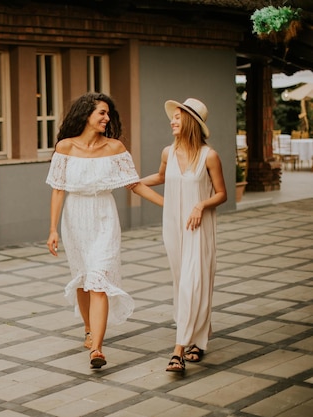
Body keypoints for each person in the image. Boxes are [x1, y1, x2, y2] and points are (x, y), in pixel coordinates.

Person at [46, 92, 163, 369]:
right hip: (75, 218)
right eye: (102, 112)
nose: (106, 118)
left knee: (98, 279)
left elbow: (134, 184)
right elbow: (58, 190)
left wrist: (168, 205)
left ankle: (97, 349)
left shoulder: (115, 148)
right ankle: (88, 329)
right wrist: (53, 229)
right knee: (84, 279)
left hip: (104, 217)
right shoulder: (65, 148)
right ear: (86, 114)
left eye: (108, 113)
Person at [136, 98, 226, 373]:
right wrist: (132, 180)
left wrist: (200, 204)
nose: (172, 121)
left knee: (192, 281)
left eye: (177, 117)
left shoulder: (209, 155)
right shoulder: (168, 152)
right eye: (172, 117)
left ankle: (179, 350)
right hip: (173, 226)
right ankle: (200, 335)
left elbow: (222, 194)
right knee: (182, 281)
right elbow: (162, 177)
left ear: (191, 122)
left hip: (199, 227)